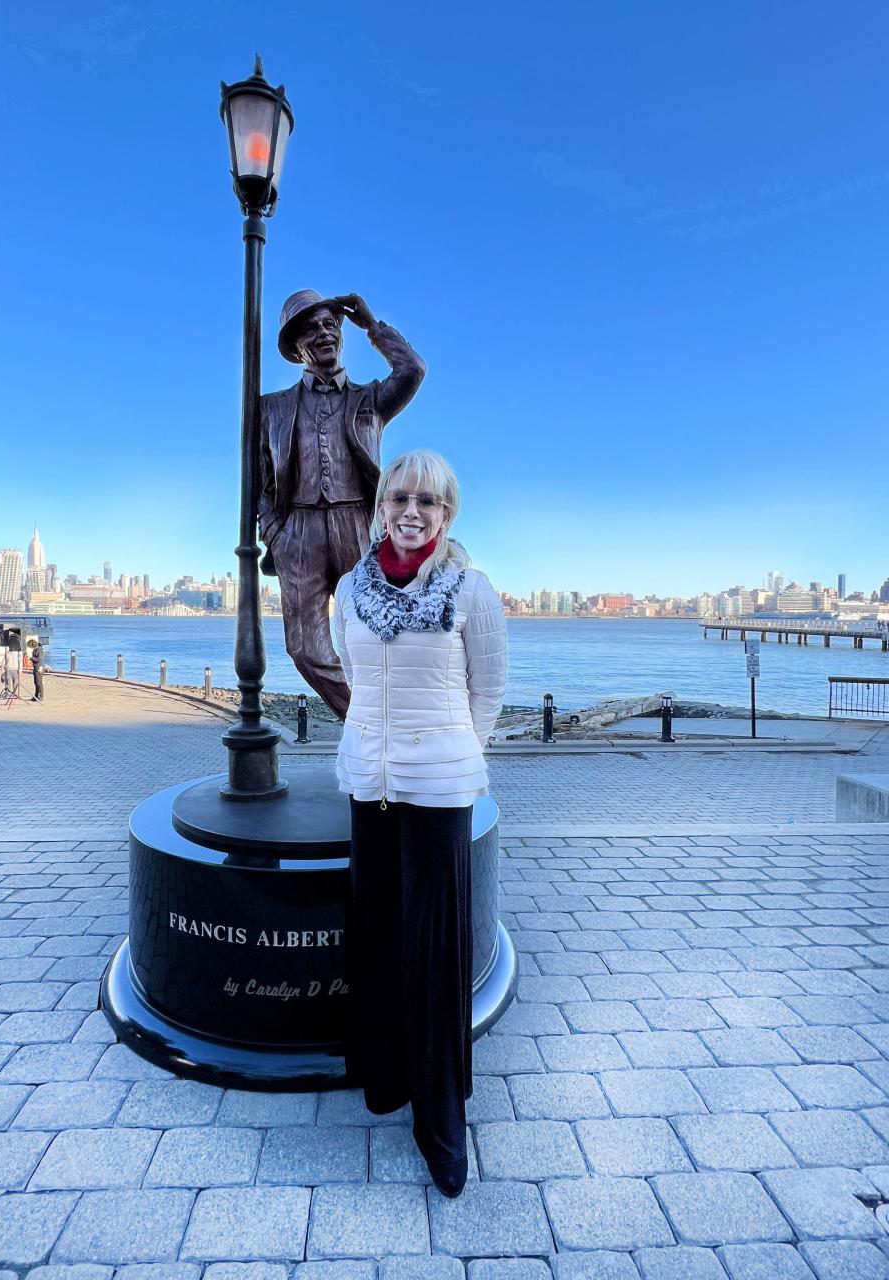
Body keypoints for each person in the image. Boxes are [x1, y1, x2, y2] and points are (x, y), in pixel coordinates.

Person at [332, 449, 507, 1197]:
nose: (412, 512)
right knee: (375, 933)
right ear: (381, 507)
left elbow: (488, 692)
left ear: (447, 516)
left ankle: (442, 1124)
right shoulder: (349, 590)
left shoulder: (471, 590)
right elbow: (350, 673)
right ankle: (385, 1078)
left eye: (428, 503)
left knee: (434, 956)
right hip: (367, 781)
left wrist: (449, 750)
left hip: (438, 789)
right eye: (400, 497)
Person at [259, 290, 425, 720]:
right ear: (296, 348)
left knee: (380, 635)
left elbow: (412, 370)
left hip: (357, 525)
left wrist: (372, 325)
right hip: (296, 533)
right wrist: (273, 532)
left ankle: (383, 730)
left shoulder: (370, 399)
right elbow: (259, 480)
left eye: (330, 324)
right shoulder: (271, 409)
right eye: (311, 329)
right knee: (304, 648)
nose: (324, 333)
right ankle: (373, 724)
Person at [2, 631, 22, 700]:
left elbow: (20, 661)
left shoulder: (17, 653)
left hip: (14, 669)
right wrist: (2, 670)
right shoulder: (10, 653)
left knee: (14, 683)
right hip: (10, 669)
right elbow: (3, 662)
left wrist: (20, 669)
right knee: (10, 683)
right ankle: (9, 694)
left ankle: (13, 694)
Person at [27, 638, 44, 702]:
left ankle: (41, 696)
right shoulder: (34, 650)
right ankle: (36, 695)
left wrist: (32, 658)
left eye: (30, 646)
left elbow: (39, 659)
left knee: (39, 683)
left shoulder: (39, 649)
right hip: (35, 667)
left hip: (39, 667)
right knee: (36, 682)